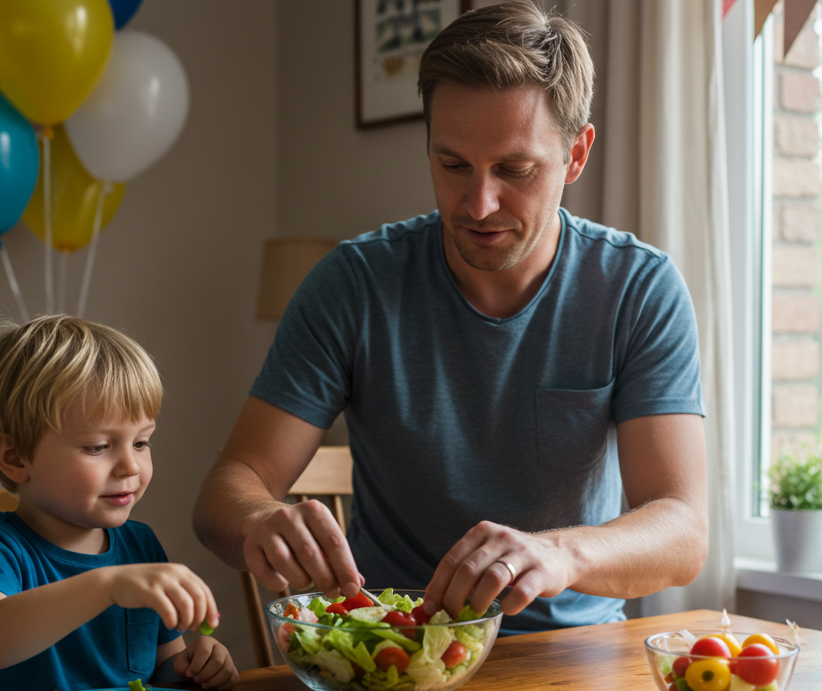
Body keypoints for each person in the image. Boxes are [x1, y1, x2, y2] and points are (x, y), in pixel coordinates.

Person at [193, 2, 707, 634]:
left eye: (515, 170)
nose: (479, 203)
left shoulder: (637, 287)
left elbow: (683, 530)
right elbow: (227, 488)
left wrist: (560, 552)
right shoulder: (353, 284)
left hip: (573, 657)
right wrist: (257, 520)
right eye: (452, 165)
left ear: (576, 156)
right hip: (395, 650)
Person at [0, 315, 237, 691]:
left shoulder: (141, 544)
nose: (130, 466)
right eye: (99, 447)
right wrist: (107, 586)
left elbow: (163, 667)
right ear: (14, 457)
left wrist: (193, 665)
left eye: (141, 443)